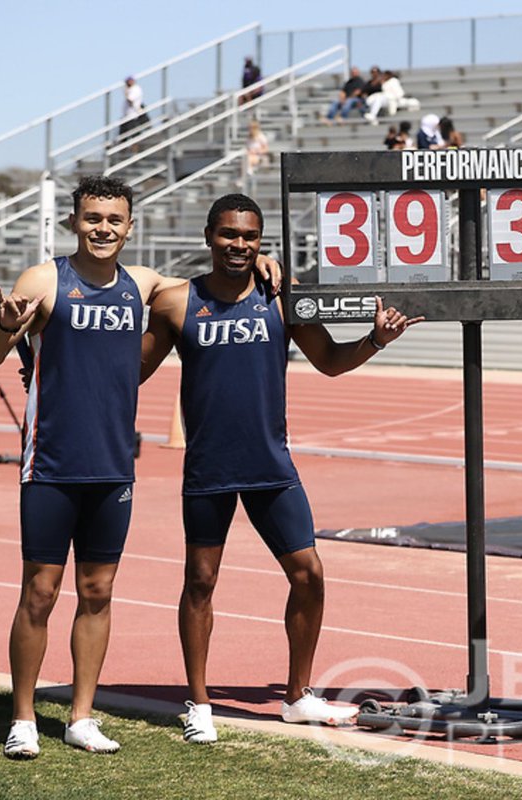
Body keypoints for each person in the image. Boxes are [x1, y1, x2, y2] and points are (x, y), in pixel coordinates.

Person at [0, 175, 276, 759]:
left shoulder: (144, 285)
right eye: (92, 218)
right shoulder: (44, 280)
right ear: (74, 222)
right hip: (51, 463)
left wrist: (267, 261)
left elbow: (217, 277)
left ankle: (81, 717)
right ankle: (23, 718)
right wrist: (10, 327)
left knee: (98, 590)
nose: (103, 229)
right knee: (39, 592)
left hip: (114, 467)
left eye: (113, 220)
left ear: (129, 226)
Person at [140, 194, 422, 742]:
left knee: (309, 574)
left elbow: (331, 363)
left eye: (248, 237)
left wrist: (375, 341)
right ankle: (198, 703)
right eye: (228, 234)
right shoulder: (177, 303)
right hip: (209, 468)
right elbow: (129, 373)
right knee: (200, 581)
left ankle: (297, 696)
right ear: (208, 236)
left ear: (260, 242)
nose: (238, 245)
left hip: (271, 463)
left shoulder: (281, 296)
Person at [118, 76, 150, 143]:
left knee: (134, 135)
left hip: (133, 116)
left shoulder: (135, 89)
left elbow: (130, 100)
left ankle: (136, 150)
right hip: (127, 116)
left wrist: (126, 93)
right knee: (123, 137)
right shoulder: (130, 89)